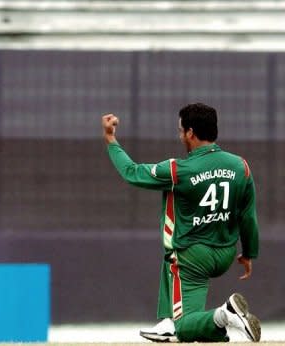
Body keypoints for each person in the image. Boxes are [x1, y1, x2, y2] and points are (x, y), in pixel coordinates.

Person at [101, 103, 260, 343]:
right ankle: (169, 322)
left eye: (180, 130)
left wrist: (110, 139)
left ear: (191, 133)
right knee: (174, 275)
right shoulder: (241, 166)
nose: (179, 135)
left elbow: (131, 172)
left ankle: (224, 314)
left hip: (192, 258)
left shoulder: (178, 170)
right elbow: (248, 216)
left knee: (182, 326)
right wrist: (249, 253)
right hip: (226, 253)